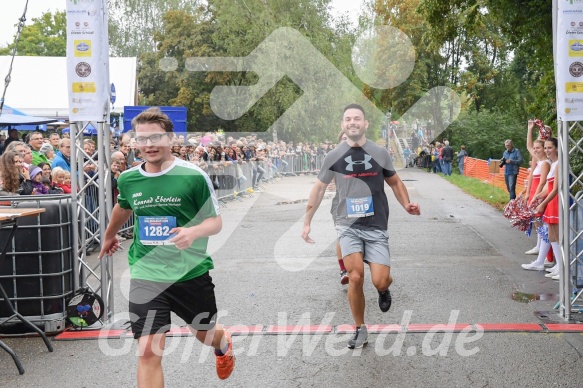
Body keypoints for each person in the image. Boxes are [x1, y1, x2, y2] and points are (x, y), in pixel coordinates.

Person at [98, 108, 235, 386]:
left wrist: (193, 231)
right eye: (142, 139)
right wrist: (110, 235)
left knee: (205, 333)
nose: (149, 145)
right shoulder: (128, 178)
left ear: (171, 138)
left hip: (189, 272)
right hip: (147, 273)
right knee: (148, 350)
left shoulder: (193, 176)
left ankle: (223, 344)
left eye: (156, 137)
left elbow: (215, 221)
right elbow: (123, 207)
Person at [302, 103, 420, 349]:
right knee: (355, 276)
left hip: (376, 225)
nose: (352, 122)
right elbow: (319, 188)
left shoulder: (380, 153)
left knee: (380, 280)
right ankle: (360, 328)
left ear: (365, 124)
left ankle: (384, 289)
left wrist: (406, 204)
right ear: (342, 125)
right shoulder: (333, 155)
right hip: (348, 225)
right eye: (348, 119)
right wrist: (307, 222)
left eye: (357, 118)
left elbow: (395, 183)